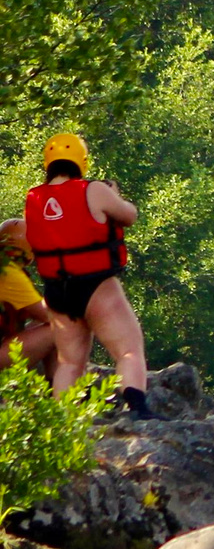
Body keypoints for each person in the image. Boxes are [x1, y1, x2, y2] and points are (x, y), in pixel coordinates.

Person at [22, 132, 150, 414]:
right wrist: (114, 193)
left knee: (69, 362)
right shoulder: (93, 190)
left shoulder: (34, 198)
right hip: (97, 286)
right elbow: (129, 215)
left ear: (48, 164)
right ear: (81, 161)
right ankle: (139, 412)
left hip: (57, 291)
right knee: (129, 350)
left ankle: (62, 422)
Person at [0, 216, 54, 375]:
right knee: (60, 329)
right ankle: (58, 389)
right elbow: (49, 315)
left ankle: (54, 385)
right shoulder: (9, 273)